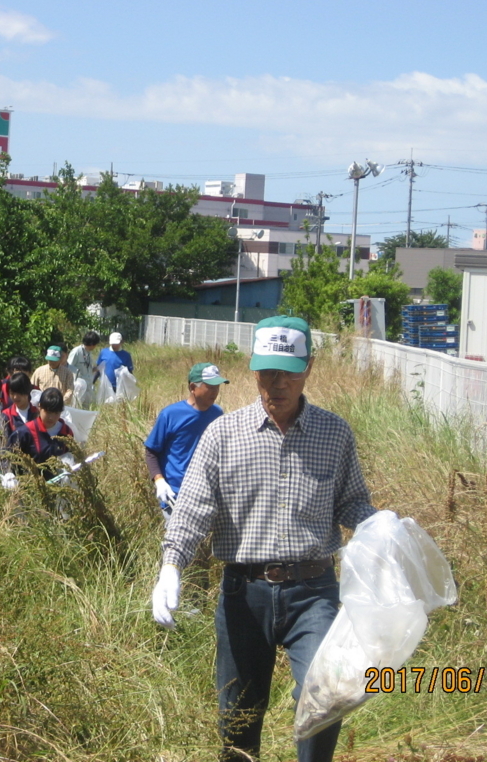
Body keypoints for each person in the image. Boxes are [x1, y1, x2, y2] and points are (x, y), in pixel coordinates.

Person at [151, 316, 376, 762]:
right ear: (254, 371)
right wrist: (172, 563)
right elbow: (194, 507)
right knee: (238, 714)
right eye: (267, 371)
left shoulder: (334, 435)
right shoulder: (223, 434)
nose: (276, 383)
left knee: (325, 694)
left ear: (308, 367)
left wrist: (382, 528)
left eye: (288, 371)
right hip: (244, 592)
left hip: (313, 592)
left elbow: (352, 503)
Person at [144, 362, 228, 521]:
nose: (215, 392)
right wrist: (159, 481)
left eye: (217, 387)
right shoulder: (170, 415)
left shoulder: (218, 414)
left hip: (207, 494)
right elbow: (151, 451)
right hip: (176, 495)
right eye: (209, 387)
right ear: (192, 388)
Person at [14, 387, 75, 478]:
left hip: (59, 487)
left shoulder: (66, 432)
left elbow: (72, 455)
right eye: (48, 412)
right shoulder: (25, 432)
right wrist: (9, 475)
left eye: (56, 413)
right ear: (40, 407)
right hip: (30, 486)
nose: (51, 417)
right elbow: (7, 457)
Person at [1, 371, 39, 441]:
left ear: (27, 391)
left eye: (19, 393)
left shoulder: (37, 412)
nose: (15, 397)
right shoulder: (6, 415)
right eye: (12, 393)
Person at [67, 331, 101, 407]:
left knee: (89, 407)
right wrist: (77, 373)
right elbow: (68, 366)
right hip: (79, 385)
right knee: (77, 406)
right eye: (95, 344)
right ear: (92, 344)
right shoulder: (76, 351)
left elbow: (87, 367)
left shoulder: (89, 353)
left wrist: (95, 369)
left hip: (88, 384)